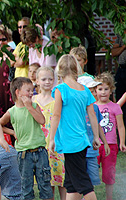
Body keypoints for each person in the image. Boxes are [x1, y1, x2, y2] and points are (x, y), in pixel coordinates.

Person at [49, 54, 100, 200]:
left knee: (83, 183)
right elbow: (92, 115)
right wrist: (96, 137)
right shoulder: (84, 89)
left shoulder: (61, 89)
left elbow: (56, 115)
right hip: (82, 141)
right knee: (71, 183)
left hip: (70, 142)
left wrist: (51, 138)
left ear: (59, 70)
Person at [0, 77, 53, 200]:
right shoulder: (12, 111)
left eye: (32, 90)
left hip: (40, 152)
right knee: (26, 189)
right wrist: (12, 132)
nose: (31, 93)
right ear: (18, 92)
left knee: (45, 187)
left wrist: (29, 107)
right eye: (28, 90)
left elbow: (42, 120)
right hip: (23, 155)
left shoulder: (34, 106)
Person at [33, 67, 66, 199]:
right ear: (37, 81)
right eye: (43, 79)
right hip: (40, 145)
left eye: (50, 79)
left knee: (62, 180)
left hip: (58, 144)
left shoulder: (58, 99)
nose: (47, 82)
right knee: (47, 181)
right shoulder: (33, 100)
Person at [94, 72, 126, 200]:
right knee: (91, 172)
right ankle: (89, 195)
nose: (103, 92)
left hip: (111, 145)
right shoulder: (92, 107)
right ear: (95, 90)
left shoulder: (115, 107)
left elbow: (121, 126)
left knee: (109, 173)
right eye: (100, 89)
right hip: (95, 145)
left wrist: (122, 142)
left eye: (106, 89)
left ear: (111, 90)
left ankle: (109, 197)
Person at [77, 78, 111, 189]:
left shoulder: (95, 108)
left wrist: (105, 143)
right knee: (80, 179)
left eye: (93, 91)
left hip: (92, 151)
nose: (92, 94)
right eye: (89, 91)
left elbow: (98, 125)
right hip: (79, 150)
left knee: (92, 179)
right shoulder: (76, 108)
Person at [0, 29, 15, 144]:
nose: (1, 42)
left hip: (10, 91)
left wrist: (7, 53)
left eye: (3, 39)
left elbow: (13, 65)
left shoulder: (13, 52)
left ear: (8, 39)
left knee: (11, 119)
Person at [112, 30, 126, 125]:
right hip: (121, 69)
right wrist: (124, 46)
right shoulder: (120, 36)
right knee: (120, 96)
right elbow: (114, 52)